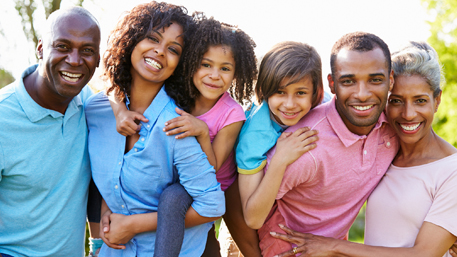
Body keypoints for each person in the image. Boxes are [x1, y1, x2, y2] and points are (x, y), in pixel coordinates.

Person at [271, 41, 457, 257]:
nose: (408, 114)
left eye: (420, 101)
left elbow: (424, 254)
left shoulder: (450, 170)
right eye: (396, 101)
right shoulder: (386, 146)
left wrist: (332, 246)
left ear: (437, 100)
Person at [84, 2, 225, 256]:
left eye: (173, 49)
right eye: (152, 38)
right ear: (132, 41)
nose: (160, 51)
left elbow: (212, 205)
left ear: (181, 63)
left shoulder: (175, 126)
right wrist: (107, 208)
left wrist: (133, 225)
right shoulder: (95, 111)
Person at [114, 15, 261, 257]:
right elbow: (117, 85)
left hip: (207, 187)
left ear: (236, 73)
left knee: (172, 198)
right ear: (191, 62)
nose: (214, 75)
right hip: (175, 175)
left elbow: (213, 166)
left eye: (225, 69)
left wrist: (203, 132)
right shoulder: (180, 94)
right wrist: (120, 110)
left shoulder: (232, 114)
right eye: (206, 64)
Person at [244, 32, 400, 257]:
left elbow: (433, 162)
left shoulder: (395, 128)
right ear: (332, 84)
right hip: (289, 248)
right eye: (348, 81)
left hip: (336, 248)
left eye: (375, 80)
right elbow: (248, 214)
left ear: (391, 80)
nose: (363, 94)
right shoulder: (303, 146)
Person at [0, 7, 100, 257]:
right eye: (63, 46)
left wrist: (98, 247)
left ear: (98, 59)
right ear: (41, 48)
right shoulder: (3, 118)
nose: (75, 60)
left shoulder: (90, 107)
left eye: (87, 50)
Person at [236, 41, 324, 233]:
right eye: (280, 92)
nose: (290, 104)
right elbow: (253, 218)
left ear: (316, 93)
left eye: (300, 93)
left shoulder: (324, 106)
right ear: (264, 91)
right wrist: (279, 160)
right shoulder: (254, 138)